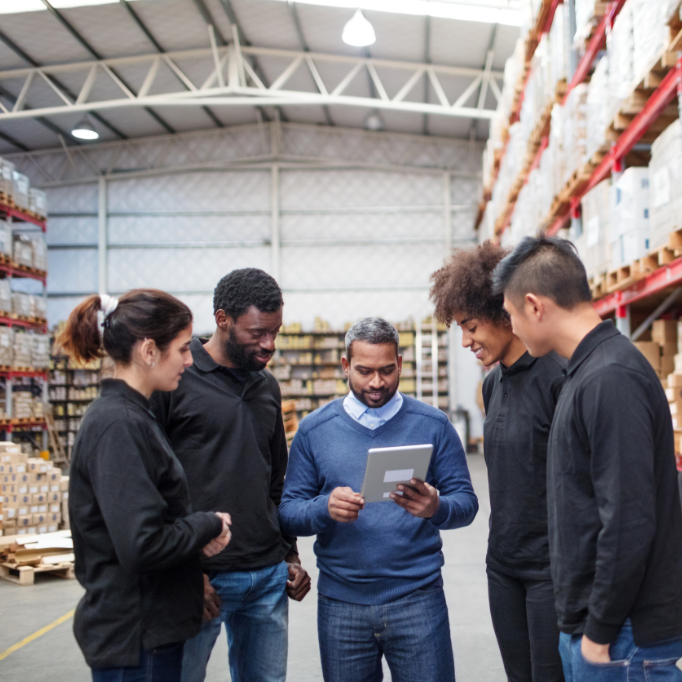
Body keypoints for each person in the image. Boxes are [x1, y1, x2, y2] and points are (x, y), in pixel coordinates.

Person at [493, 236, 682, 682]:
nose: (513, 328)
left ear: (535, 306)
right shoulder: (585, 371)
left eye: (511, 314)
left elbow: (630, 518)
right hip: (602, 629)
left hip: (623, 637)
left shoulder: (610, 378)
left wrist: (599, 631)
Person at [279, 317, 478, 682]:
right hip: (342, 604)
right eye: (364, 371)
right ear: (345, 367)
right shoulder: (314, 431)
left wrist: (437, 507)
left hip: (418, 598)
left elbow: (466, 503)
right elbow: (289, 513)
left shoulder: (433, 425)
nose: (376, 382)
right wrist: (324, 508)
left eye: (387, 370)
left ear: (400, 364)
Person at [59, 290, 232, 682]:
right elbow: (142, 544)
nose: (190, 360)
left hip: (148, 633)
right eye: (182, 349)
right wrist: (207, 525)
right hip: (136, 639)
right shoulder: (120, 425)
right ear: (149, 350)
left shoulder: (132, 415)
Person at [150, 268, 310, 682]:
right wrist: (185, 573)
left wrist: (288, 553)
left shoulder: (267, 387)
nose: (269, 344)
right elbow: (156, 488)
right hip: (202, 579)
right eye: (257, 332)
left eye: (275, 332)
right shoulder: (175, 382)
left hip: (267, 576)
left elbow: (277, 478)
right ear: (222, 319)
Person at [430, 241, 566, 682]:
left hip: (552, 569)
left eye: (470, 327)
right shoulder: (493, 387)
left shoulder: (558, 377)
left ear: (504, 312)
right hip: (503, 565)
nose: (466, 341)